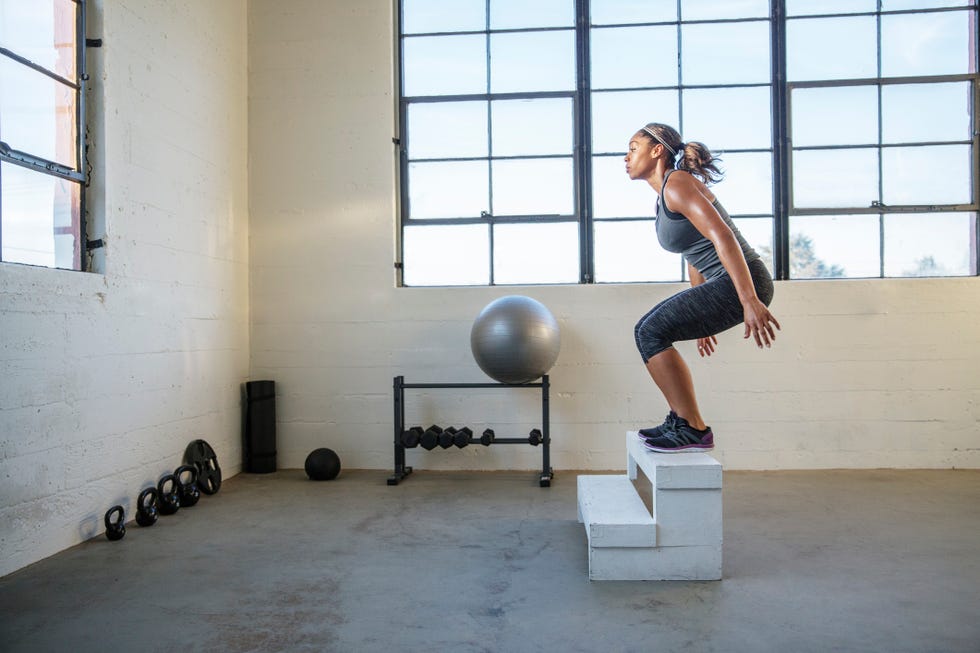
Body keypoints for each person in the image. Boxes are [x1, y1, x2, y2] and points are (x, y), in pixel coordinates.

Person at [626, 123, 779, 453]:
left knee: (649, 331)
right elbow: (693, 253)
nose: (626, 157)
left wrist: (748, 297)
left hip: (742, 279)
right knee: (650, 331)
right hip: (724, 283)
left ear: (657, 151)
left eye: (633, 147)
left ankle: (692, 427)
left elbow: (721, 235)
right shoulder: (663, 198)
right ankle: (684, 421)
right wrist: (699, 313)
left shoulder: (677, 184)